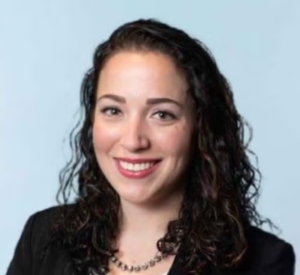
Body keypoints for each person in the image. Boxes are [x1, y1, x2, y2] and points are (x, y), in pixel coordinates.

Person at [6, 19, 295, 275]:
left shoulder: (261, 262)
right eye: (113, 110)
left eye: (162, 114)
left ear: (201, 127)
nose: (133, 141)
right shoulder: (43, 237)